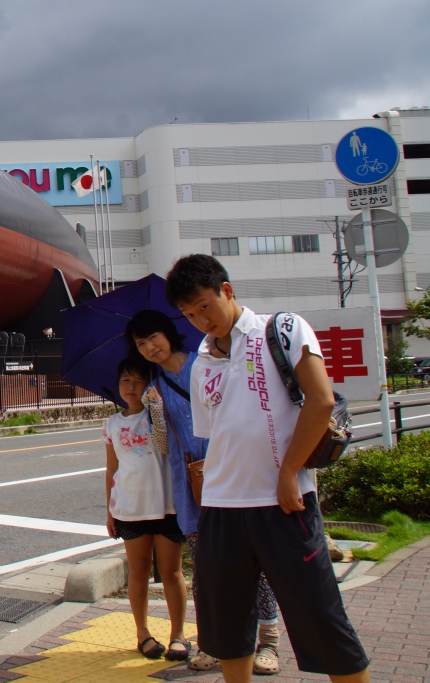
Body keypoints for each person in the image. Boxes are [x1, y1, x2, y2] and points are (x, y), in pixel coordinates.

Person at [165, 254, 370, 683]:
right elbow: (216, 435)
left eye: (205, 306)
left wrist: (288, 472)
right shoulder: (201, 365)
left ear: (226, 290)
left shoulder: (282, 329)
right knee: (225, 626)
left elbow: (322, 400)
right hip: (221, 509)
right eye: (189, 314)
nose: (201, 320)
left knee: (321, 618)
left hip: (285, 502)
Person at [127, 309, 282, 674]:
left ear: (167, 334)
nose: (150, 347)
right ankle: (216, 643)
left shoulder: (208, 363)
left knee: (253, 565)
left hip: (236, 476)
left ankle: (269, 644)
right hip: (193, 486)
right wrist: (155, 411)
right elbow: (163, 446)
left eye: (153, 338)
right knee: (207, 569)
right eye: (140, 344)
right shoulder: (156, 387)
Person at [103, 356, 190, 661]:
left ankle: (178, 635)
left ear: (149, 383)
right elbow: (111, 469)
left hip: (168, 507)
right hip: (130, 508)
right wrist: (110, 510)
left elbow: (167, 448)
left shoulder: (160, 414)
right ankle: (142, 634)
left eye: (139, 380)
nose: (131, 386)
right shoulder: (112, 424)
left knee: (171, 573)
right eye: (126, 380)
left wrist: (157, 410)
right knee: (138, 573)